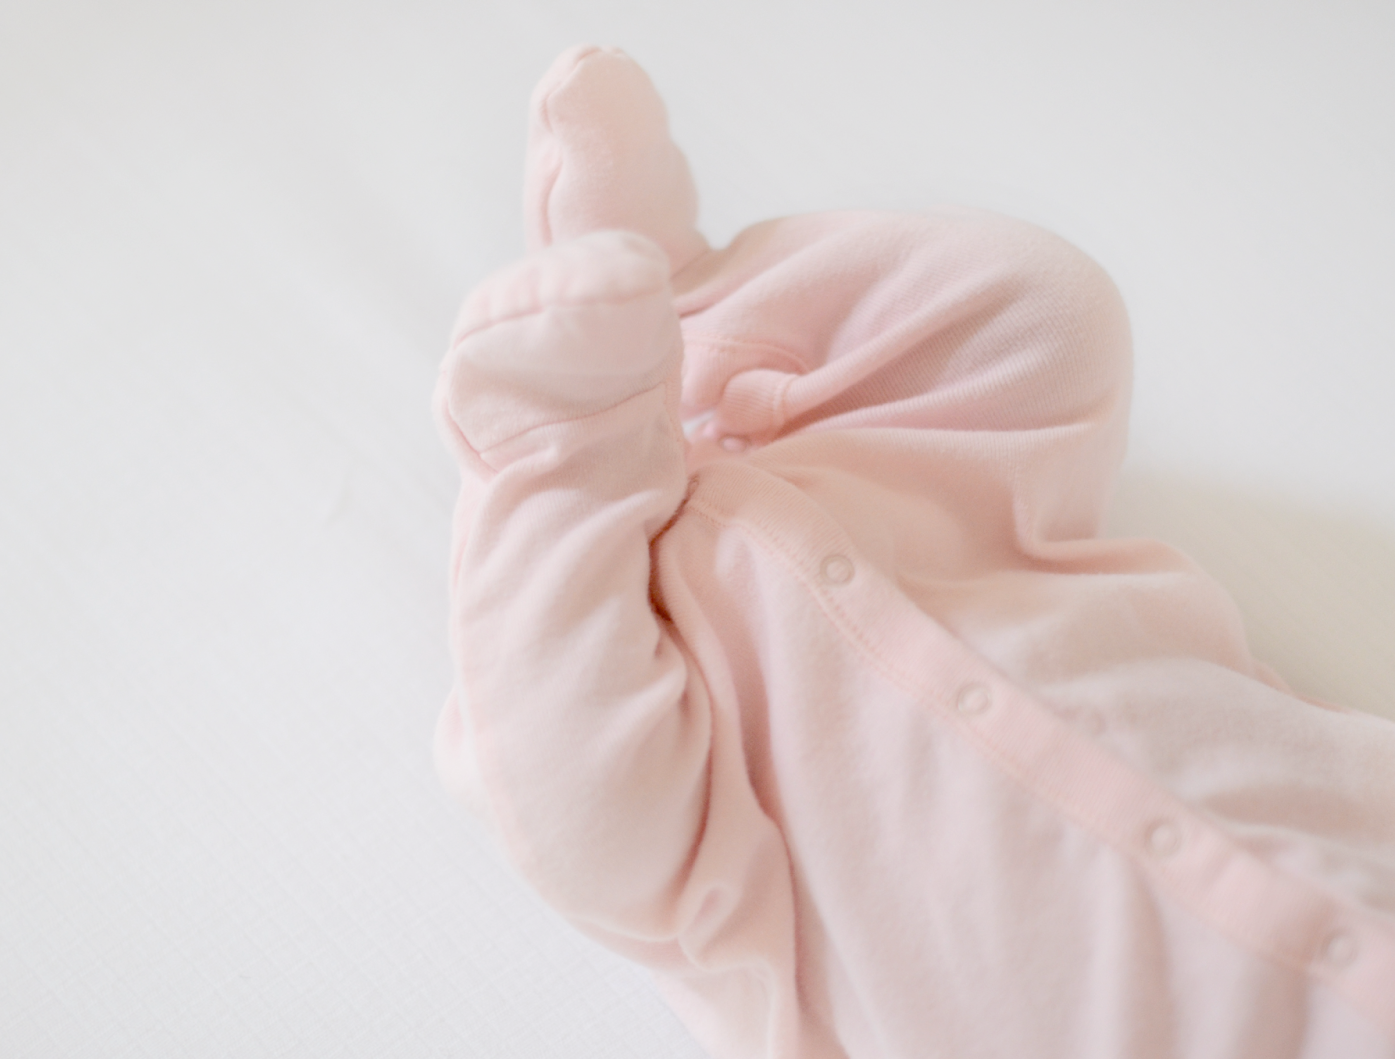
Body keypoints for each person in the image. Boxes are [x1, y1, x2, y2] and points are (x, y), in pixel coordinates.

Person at [433, 44, 1395, 1058]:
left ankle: (559, 449)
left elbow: (586, 827)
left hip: (729, 806)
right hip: (977, 559)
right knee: (1049, 313)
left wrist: (561, 452)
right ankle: (698, 317)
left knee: (583, 799)